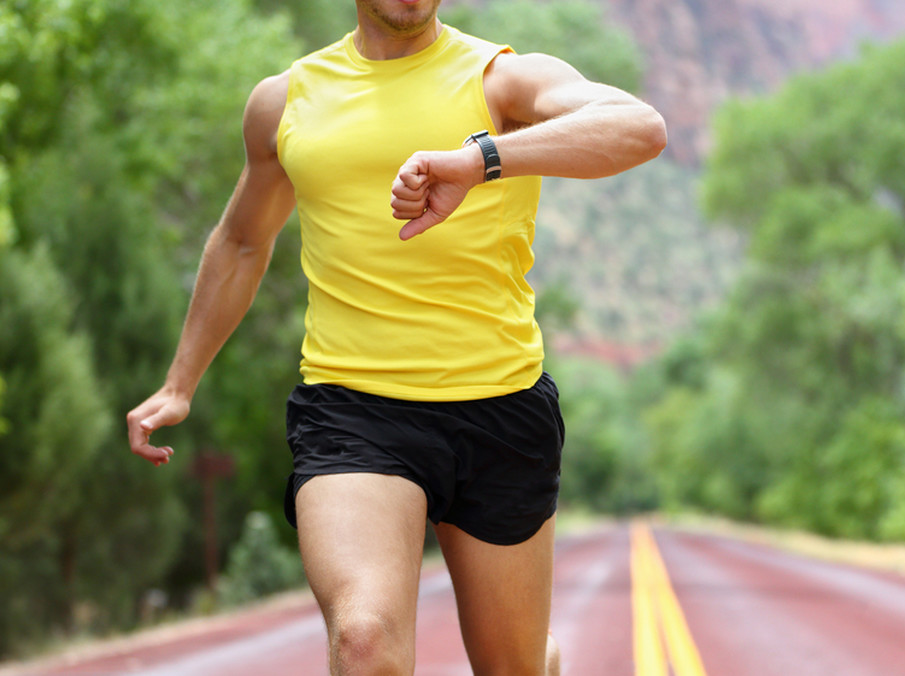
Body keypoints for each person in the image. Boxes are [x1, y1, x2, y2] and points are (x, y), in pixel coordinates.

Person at [124, 0, 667, 674]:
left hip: (500, 404)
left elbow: (639, 129)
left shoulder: (501, 79)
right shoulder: (285, 101)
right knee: (364, 641)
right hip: (353, 409)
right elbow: (241, 241)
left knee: (515, 668)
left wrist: (482, 158)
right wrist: (180, 383)